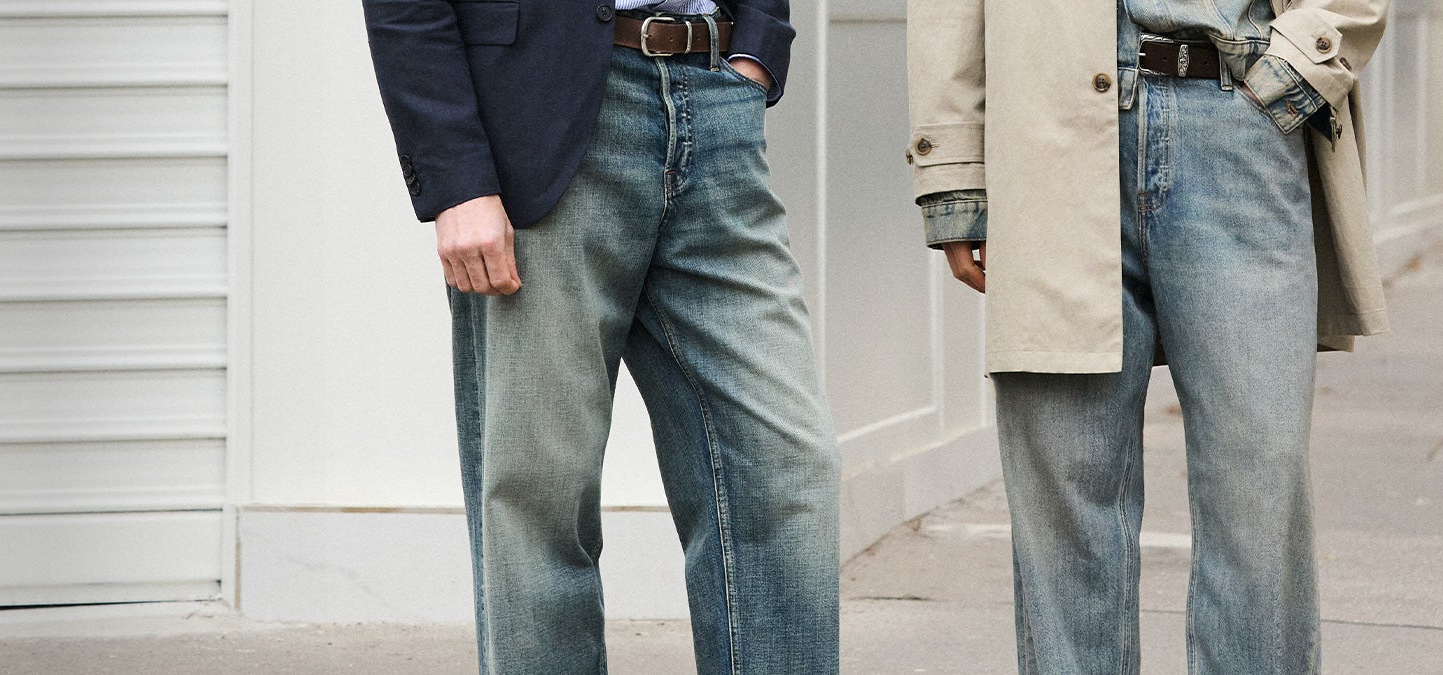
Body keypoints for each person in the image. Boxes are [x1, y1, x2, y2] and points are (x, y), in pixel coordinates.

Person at [905, 0, 1387, 671]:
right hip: (1045, 138)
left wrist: (1298, 63)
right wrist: (952, 170)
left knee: (1258, 487)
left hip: (1237, 116)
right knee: (1066, 494)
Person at [363, 1, 840, 673]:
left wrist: (758, 45)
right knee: (540, 499)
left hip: (715, 101)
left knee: (785, 464)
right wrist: (456, 179)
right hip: (537, 122)